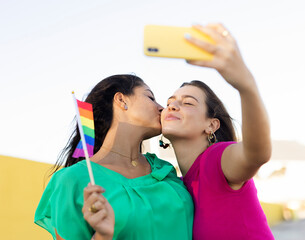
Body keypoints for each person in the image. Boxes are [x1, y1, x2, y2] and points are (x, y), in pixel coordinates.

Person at [34, 74, 194, 240]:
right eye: (150, 97)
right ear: (121, 100)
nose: (161, 108)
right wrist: (102, 236)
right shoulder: (73, 180)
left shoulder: (165, 170)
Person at [160, 23, 274, 239]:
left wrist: (246, 86)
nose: (173, 106)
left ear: (211, 125)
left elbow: (257, 153)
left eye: (188, 103)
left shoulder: (217, 159)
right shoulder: (179, 185)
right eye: (169, 102)